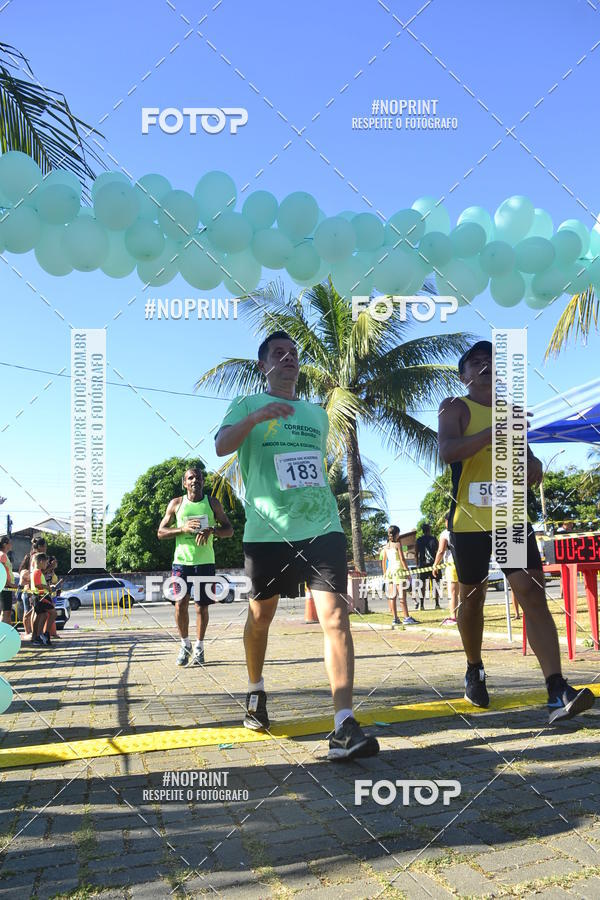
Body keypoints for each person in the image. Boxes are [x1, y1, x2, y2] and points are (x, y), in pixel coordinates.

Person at [215, 330, 379, 761]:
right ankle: (255, 690)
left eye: (293, 354)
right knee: (260, 617)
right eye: (278, 354)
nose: (288, 359)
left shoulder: (316, 414)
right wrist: (254, 419)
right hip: (267, 531)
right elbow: (220, 445)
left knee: (336, 618)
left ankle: (344, 723)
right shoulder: (247, 404)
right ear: (263, 365)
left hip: (322, 526)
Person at [438, 340, 595, 722]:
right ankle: (474, 668)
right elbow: (448, 450)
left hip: (509, 516)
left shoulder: (512, 413)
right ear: (465, 375)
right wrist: (493, 432)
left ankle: (557, 687)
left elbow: (525, 459)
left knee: (531, 591)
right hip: (469, 520)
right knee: (471, 599)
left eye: (492, 362)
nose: (486, 367)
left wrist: (534, 463)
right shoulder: (455, 407)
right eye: (477, 363)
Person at [158, 466, 233, 666]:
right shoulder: (176, 503)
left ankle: (199, 647)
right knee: (180, 604)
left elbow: (229, 530)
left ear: (202, 481)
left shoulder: (212, 503)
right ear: (185, 483)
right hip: (182, 563)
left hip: (205, 563)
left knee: (202, 607)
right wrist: (182, 528)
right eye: (190, 478)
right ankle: (185, 645)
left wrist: (212, 531)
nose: (194, 481)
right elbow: (161, 532)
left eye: (198, 478)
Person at [379, 526, 418, 625]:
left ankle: (395, 618)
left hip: (390, 572)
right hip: (398, 571)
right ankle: (406, 617)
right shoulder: (397, 544)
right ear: (396, 534)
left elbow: (383, 561)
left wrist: (384, 573)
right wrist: (407, 572)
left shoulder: (385, 547)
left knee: (392, 596)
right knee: (402, 596)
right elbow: (402, 559)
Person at [432, 514, 458, 625]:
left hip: (451, 565)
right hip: (463, 564)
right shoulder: (461, 530)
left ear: (447, 521)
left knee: (452, 593)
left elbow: (441, 551)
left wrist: (435, 565)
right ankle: (465, 615)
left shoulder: (445, 533)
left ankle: (453, 618)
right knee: (464, 593)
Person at [20, 536, 47, 636]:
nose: (45, 549)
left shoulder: (32, 555)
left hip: (33, 589)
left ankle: (34, 633)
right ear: (39, 546)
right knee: (32, 613)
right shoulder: (36, 556)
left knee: (34, 612)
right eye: (44, 546)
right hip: (32, 590)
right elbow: (36, 577)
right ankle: (32, 634)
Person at [30, 552, 54, 647]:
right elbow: (37, 585)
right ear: (40, 561)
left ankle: (39, 635)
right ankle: (42, 634)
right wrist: (47, 588)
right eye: (45, 563)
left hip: (40, 595)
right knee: (52, 613)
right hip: (39, 596)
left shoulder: (38, 571)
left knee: (42, 615)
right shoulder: (37, 571)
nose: (46, 565)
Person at [415, 524, 439, 610]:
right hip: (433, 564)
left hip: (422, 565)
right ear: (429, 530)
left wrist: (418, 565)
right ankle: (437, 604)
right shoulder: (434, 539)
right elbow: (438, 551)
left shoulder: (419, 540)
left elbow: (416, 553)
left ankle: (421, 605)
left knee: (422, 585)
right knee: (435, 584)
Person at [0, 536, 16, 625]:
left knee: (7, 612)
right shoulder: (2, 555)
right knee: (5, 612)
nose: (11, 544)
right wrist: (9, 583)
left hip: (6, 586)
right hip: (5, 586)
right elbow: (1, 572)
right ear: (5, 544)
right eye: (10, 542)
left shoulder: (3, 555)